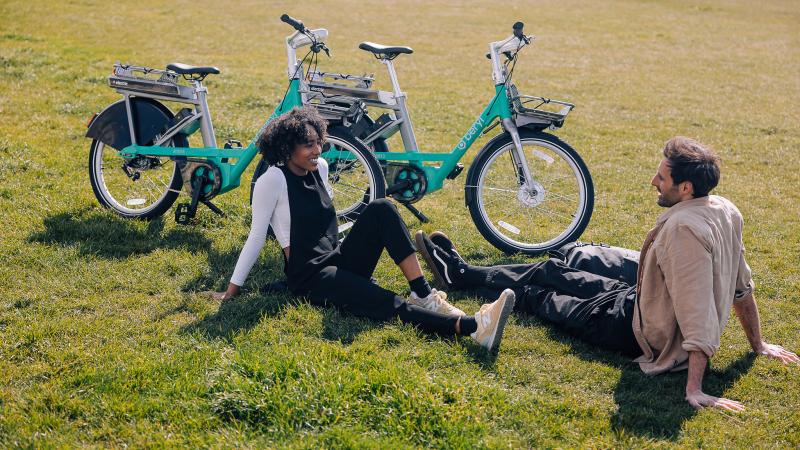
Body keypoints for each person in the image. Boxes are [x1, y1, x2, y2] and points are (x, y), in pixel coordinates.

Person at [416, 136, 798, 410]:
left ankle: (461, 276)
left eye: (661, 178)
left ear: (685, 187)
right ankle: (461, 274)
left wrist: (694, 389)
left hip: (629, 330)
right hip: (633, 301)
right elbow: (742, 287)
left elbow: (697, 312)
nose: (653, 181)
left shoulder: (685, 231)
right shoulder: (724, 210)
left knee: (540, 296)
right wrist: (758, 345)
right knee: (552, 269)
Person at [206, 107, 515, 352]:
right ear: (286, 149)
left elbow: (324, 223)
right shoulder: (271, 181)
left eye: (318, 142)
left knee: (381, 207)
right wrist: (231, 291)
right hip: (312, 277)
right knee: (383, 302)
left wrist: (361, 242)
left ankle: (424, 294)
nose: (317, 150)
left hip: (337, 258)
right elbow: (256, 237)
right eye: (307, 146)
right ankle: (474, 328)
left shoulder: (321, 169)